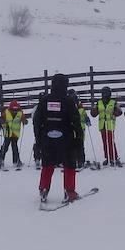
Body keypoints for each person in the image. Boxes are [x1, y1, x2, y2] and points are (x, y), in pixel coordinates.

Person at [34, 73, 84, 202]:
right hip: (66, 139)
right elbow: (76, 123)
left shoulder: (44, 100)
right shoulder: (68, 101)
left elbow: (37, 121)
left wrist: (38, 140)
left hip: (47, 138)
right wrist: (79, 143)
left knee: (47, 164)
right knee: (69, 164)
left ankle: (44, 189)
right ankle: (69, 192)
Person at [90, 86, 122, 166]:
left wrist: (116, 111)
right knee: (105, 142)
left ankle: (114, 157)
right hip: (102, 125)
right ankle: (107, 157)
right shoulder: (99, 102)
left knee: (110, 141)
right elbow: (94, 114)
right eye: (104, 93)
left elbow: (119, 112)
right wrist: (94, 110)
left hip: (110, 124)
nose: (105, 95)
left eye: (106, 93)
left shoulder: (113, 102)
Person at [0, 100, 28, 169]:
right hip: (7, 133)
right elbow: (1, 119)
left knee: (15, 148)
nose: (15, 111)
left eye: (16, 109)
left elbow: (24, 119)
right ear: (10, 108)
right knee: (5, 147)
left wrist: (25, 121)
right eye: (13, 109)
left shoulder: (20, 113)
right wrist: (1, 121)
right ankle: (0, 160)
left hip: (15, 134)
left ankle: (16, 161)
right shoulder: (6, 112)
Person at [69, 90, 95, 169]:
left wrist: (87, 119)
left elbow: (84, 114)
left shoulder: (80, 107)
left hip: (80, 128)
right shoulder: (68, 105)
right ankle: (73, 160)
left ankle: (80, 161)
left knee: (80, 144)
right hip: (71, 128)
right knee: (72, 145)